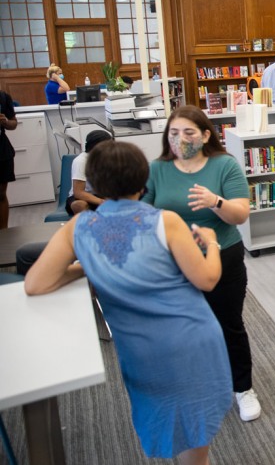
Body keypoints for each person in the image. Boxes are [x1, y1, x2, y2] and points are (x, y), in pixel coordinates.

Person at [24, 141, 230, 465]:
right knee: (196, 433)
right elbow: (206, 279)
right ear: (142, 180)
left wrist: (91, 265)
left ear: (94, 184)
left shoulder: (79, 227)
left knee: (167, 421)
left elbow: (36, 283)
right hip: (191, 340)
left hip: (140, 352)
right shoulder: (167, 221)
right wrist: (214, 243)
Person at [143, 106, 261, 422]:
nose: (180, 139)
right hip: (172, 262)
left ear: (206, 135)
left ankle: (243, 388)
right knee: (180, 329)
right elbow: (142, 213)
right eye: (173, 133)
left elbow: (240, 215)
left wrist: (216, 202)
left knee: (228, 324)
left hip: (222, 256)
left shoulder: (224, 166)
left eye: (189, 132)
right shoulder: (157, 169)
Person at [65, 129, 112, 216]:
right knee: (79, 205)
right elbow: (78, 192)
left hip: (99, 195)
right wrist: (102, 202)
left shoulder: (106, 159)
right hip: (80, 197)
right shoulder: (81, 161)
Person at [0, 89, 17, 229]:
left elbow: (14, 123)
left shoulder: (3, 97)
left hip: (2, 151)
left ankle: (4, 233)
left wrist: (5, 121)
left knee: (1, 194)